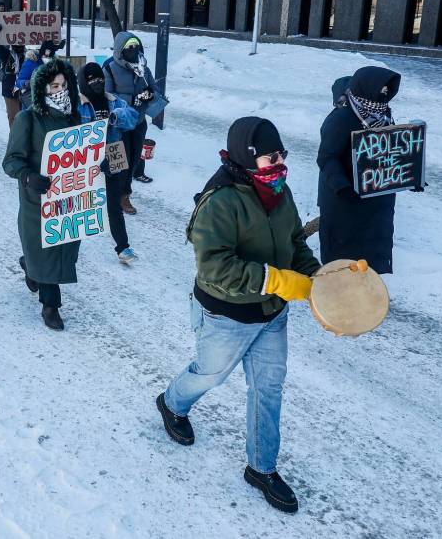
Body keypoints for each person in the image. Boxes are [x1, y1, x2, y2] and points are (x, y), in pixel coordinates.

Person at [156, 116, 320, 515]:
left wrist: (318, 275)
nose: (279, 163)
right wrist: (277, 280)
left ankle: (261, 468)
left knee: (268, 389)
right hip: (225, 315)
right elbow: (215, 268)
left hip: (271, 315)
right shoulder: (220, 200)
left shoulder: (280, 192)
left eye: (281, 154)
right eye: (269, 156)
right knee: (210, 374)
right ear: (247, 158)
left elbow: (295, 241)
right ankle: (172, 403)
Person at [2, 58, 81, 331]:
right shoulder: (28, 119)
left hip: (69, 197)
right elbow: (11, 161)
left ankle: (29, 266)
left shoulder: (75, 117)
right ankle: (51, 306)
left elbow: (84, 153)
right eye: (53, 86)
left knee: (63, 249)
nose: (60, 90)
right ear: (42, 89)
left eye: (63, 85)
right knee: (45, 249)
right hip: (38, 198)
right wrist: (28, 176)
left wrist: (97, 162)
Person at [317, 66, 402, 274]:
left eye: (386, 90)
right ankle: (338, 302)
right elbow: (327, 157)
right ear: (367, 88)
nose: (384, 94)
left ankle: (364, 297)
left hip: (375, 203)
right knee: (344, 263)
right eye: (380, 90)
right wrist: (342, 187)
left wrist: (410, 176)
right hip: (346, 202)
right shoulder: (342, 118)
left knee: (369, 262)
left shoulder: (384, 116)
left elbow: (392, 151)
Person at [77, 62, 140, 264]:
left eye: (100, 78)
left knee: (114, 204)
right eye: (91, 80)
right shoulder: (77, 104)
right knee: (76, 207)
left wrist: (114, 118)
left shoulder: (114, 102)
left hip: (113, 154)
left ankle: (123, 247)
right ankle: (63, 250)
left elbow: (133, 117)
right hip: (84, 160)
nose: (97, 83)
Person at [102, 32, 159, 216]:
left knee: (134, 159)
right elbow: (108, 96)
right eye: (129, 48)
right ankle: (117, 195)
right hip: (119, 125)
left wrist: (149, 95)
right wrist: (132, 99)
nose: (133, 51)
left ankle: (125, 192)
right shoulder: (109, 68)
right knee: (119, 161)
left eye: (136, 46)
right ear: (120, 50)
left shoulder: (144, 68)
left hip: (139, 122)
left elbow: (154, 90)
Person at [15, 40, 59, 109]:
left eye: (49, 57)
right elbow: (19, 81)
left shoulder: (55, 65)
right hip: (31, 103)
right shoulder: (31, 63)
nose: (46, 58)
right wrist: (25, 83)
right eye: (45, 56)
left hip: (50, 104)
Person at [0, 45, 20, 127]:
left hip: (25, 91)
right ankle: (15, 138)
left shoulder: (29, 55)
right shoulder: (7, 55)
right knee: (14, 116)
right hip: (10, 90)